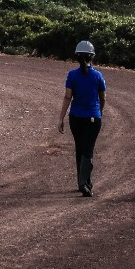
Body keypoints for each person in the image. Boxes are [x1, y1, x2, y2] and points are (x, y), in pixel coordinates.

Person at [58, 40, 107, 197]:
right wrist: (98, 112)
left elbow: (67, 97)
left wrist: (61, 118)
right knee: (88, 149)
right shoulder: (98, 76)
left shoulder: (72, 75)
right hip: (93, 117)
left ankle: (83, 182)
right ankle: (84, 183)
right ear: (92, 57)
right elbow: (103, 98)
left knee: (80, 148)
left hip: (75, 118)